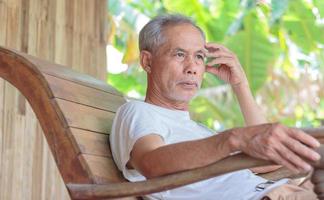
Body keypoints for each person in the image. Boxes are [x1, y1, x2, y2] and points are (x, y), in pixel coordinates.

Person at [110, 14, 321, 200]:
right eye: (179, 54)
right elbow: (151, 163)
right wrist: (233, 139)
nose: (192, 67)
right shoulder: (137, 112)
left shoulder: (199, 131)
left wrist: (240, 86)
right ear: (147, 61)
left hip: (289, 191)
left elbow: (269, 160)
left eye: (199, 56)